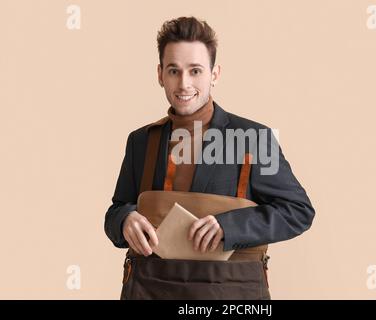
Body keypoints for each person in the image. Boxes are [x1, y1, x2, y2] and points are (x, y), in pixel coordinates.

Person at [104, 16, 315, 299]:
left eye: (195, 71)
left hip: (229, 293)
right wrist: (124, 220)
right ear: (159, 75)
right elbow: (116, 210)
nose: (184, 84)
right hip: (149, 288)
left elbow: (298, 211)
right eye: (173, 71)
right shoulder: (141, 141)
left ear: (214, 74)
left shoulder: (254, 137)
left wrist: (230, 227)